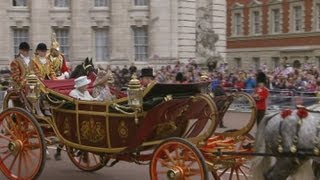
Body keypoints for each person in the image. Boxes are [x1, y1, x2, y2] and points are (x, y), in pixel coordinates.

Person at [33, 43, 56, 116]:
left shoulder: (48, 61)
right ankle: (38, 109)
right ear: (38, 51)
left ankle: (47, 108)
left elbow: (52, 71)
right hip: (37, 80)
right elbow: (36, 72)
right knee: (40, 89)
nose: (43, 53)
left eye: (44, 51)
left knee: (53, 90)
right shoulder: (34, 61)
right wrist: (42, 80)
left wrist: (55, 80)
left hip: (47, 79)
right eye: (42, 51)